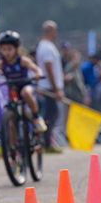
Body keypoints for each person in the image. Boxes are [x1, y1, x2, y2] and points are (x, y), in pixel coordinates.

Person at [0, 30, 47, 133]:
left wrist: (38, 74)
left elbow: (36, 69)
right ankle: (12, 142)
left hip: (25, 85)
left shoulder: (22, 60)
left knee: (25, 93)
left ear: (16, 48)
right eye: (4, 49)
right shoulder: (1, 63)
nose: (7, 52)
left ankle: (36, 117)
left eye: (10, 49)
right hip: (13, 89)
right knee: (11, 121)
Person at [36, 20, 64, 152]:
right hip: (49, 87)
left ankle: (47, 141)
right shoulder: (46, 47)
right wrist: (56, 88)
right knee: (50, 115)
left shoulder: (46, 46)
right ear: (52, 31)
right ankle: (46, 143)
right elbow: (49, 68)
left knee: (52, 114)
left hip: (49, 86)